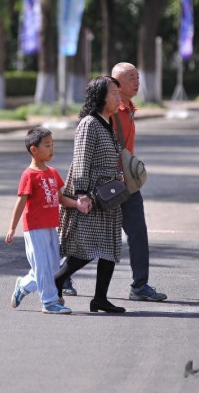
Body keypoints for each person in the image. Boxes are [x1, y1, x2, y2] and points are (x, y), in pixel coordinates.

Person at [62, 64, 167, 303]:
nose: (137, 82)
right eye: (131, 78)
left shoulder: (129, 108)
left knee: (137, 232)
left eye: (138, 77)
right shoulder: (105, 113)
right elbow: (84, 154)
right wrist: (81, 190)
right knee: (88, 234)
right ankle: (62, 277)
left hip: (125, 183)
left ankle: (139, 285)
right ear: (115, 83)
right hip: (103, 184)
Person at [54, 76, 126, 314]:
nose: (118, 98)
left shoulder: (107, 122)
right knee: (85, 246)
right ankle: (57, 281)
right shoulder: (89, 123)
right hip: (92, 194)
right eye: (114, 93)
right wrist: (82, 194)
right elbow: (81, 160)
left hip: (108, 195)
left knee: (109, 247)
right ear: (100, 97)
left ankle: (100, 299)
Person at [5, 127, 91, 314]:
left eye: (52, 145)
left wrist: (77, 205)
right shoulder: (29, 175)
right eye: (47, 145)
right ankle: (49, 302)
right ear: (34, 150)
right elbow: (20, 202)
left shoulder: (52, 172)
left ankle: (23, 285)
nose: (52, 149)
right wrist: (12, 228)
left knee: (51, 267)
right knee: (43, 266)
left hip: (51, 227)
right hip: (34, 228)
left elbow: (60, 199)